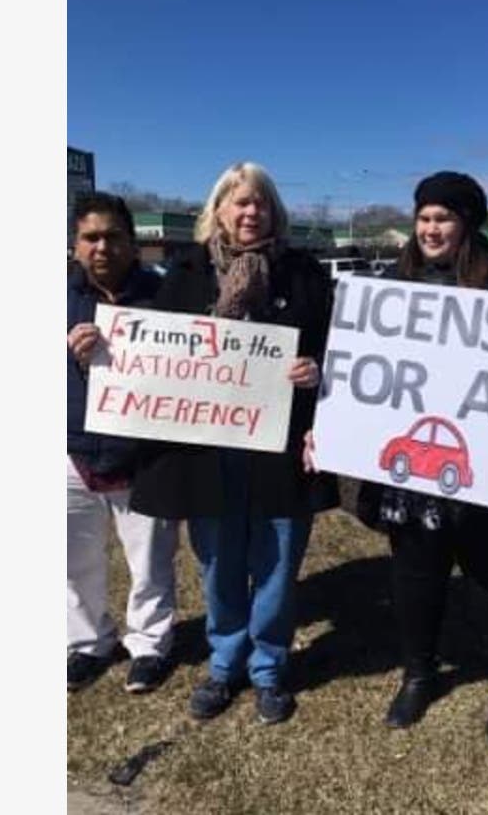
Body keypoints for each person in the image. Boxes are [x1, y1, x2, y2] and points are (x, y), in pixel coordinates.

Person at [313, 171, 488, 748]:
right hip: (413, 477)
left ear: (467, 223)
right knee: (415, 574)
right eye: (424, 218)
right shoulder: (393, 284)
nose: (431, 228)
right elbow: (366, 370)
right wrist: (333, 426)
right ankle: (419, 673)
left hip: (484, 463)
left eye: (443, 217)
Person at [129, 162, 337, 726]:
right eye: (239, 202)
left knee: (276, 559)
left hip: (281, 445)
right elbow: (151, 359)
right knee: (218, 562)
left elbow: (338, 349)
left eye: (261, 203)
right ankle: (225, 663)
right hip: (207, 448)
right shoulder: (186, 274)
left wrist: (318, 370)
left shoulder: (304, 275)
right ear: (217, 209)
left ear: (275, 212)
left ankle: (268, 667)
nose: (251, 213)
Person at [67, 192, 180, 694]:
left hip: (143, 456)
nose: (102, 247)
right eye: (90, 237)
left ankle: (151, 645)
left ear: (134, 244)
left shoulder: (166, 297)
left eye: (113, 236)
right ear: (74, 245)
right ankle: (88, 643)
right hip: (71, 449)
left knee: (151, 561)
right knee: (72, 560)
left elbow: (192, 374)